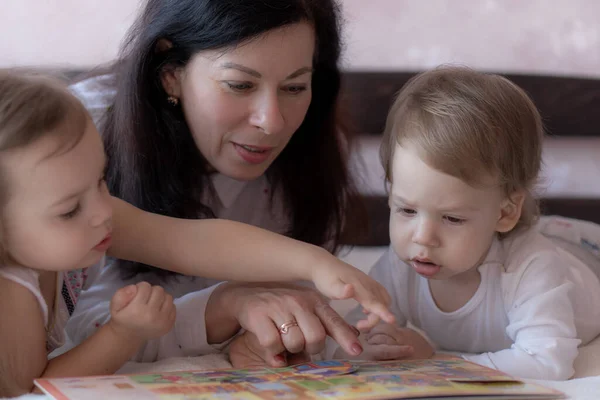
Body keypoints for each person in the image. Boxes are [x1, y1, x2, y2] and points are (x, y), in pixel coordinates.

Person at [0, 71, 393, 397]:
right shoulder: (12, 293)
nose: (103, 211)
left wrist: (314, 262)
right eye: (70, 210)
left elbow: (192, 241)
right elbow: (33, 390)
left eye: (101, 181)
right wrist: (124, 333)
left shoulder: (83, 218)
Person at [62, 0, 375, 367]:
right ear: (170, 72)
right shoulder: (78, 139)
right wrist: (224, 307)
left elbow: (289, 307)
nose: (271, 123)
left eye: (294, 87)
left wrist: (257, 337)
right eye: (240, 85)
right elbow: (70, 332)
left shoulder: (311, 151)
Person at [322, 66, 600, 380]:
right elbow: (346, 339)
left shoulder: (532, 268)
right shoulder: (398, 269)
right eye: (407, 211)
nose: (423, 238)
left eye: (452, 218)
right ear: (390, 192)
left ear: (505, 213)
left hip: (587, 257)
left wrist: (431, 360)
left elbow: (547, 363)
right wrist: (370, 346)